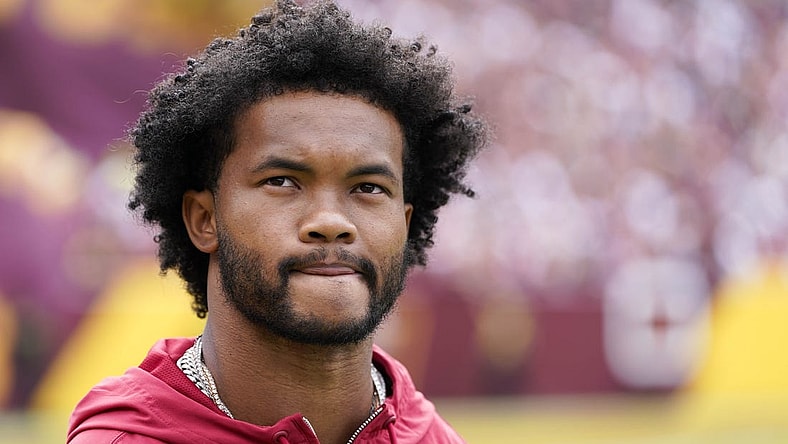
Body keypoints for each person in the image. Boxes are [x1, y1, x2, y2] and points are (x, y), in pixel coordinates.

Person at [67, 1, 487, 442]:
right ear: (204, 219)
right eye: (283, 181)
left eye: (368, 188)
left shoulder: (432, 437)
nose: (331, 221)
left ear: (404, 224)